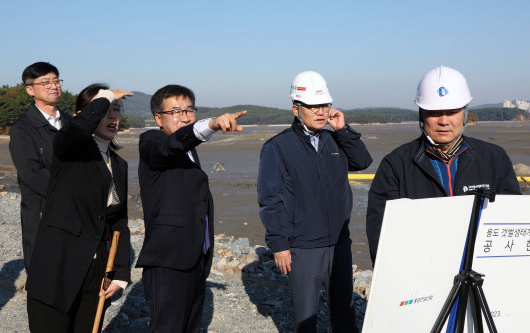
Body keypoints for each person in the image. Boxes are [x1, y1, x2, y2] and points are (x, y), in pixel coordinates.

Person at [366, 66, 522, 265]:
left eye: (452, 112)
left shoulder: (494, 158)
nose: (444, 121)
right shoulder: (396, 164)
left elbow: (512, 222)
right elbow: (381, 232)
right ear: (422, 114)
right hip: (423, 273)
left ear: (465, 114)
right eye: (434, 112)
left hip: (481, 273)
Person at [257, 71, 373, 332]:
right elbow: (269, 199)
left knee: (344, 312)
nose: (321, 112)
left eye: (324, 105)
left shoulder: (335, 140)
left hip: (339, 244)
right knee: (306, 318)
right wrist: (279, 244)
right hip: (304, 248)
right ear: (296, 109)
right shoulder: (278, 147)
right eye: (313, 106)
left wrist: (343, 129)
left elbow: (362, 161)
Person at [136, 84, 246, 333]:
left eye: (189, 110)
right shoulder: (152, 141)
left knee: (190, 326)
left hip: (194, 256)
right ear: (158, 118)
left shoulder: (190, 151)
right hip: (169, 258)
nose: (184, 116)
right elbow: (172, 145)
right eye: (175, 111)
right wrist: (212, 124)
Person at [25, 84, 133, 332]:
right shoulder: (70, 151)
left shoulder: (119, 164)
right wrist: (105, 96)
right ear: (87, 113)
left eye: (116, 110)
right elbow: (75, 130)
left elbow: (119, 222)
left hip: (96, 271)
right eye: (105, 110)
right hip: (57, 265)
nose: (113, 116)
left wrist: (121, 273)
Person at [9, 61, 73, 272]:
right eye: (45, 82)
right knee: (43, 268)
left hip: (74, 208)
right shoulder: (23, 128)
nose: (53, 86)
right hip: (41, 211)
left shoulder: (70, 123)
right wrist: (71, 192)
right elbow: (31, 173)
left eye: (56, 81)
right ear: (30, 89)